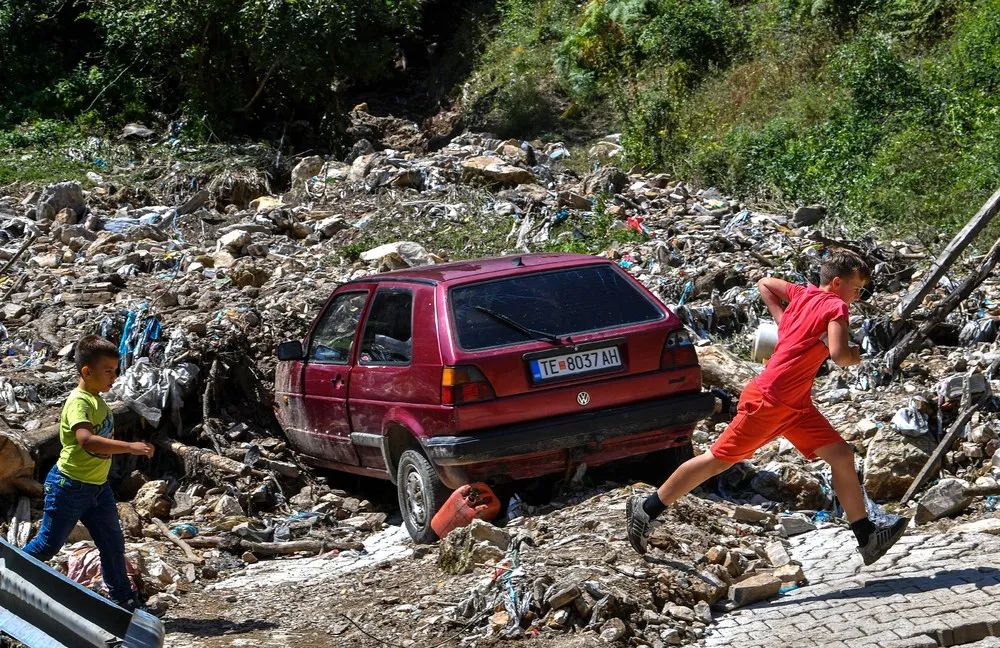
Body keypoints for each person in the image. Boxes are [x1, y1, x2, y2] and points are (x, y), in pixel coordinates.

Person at [626, 250, 908, 566]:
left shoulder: (803, 295)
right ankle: (646, 508)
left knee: (841, 456)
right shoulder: (835, 306)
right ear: (838, 282)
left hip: (795, 404)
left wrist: (782, 319)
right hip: (771, 400)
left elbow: (765, 283)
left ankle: (866, 536)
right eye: (856, 288)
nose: (857, 295)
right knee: (716, 460)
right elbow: (841, 356)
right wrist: (855, 354)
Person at [22, 335, 156, 610]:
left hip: (97, 487)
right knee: (47, 545)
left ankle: (124, 603)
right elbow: (86, 439)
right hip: (69, 486)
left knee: (112, 544)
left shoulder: (98, 400)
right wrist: (129, 446)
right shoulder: (79, 402)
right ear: (87, 371)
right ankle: (8, 581)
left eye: (116, 371)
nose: (114, 377)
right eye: (108, 371)